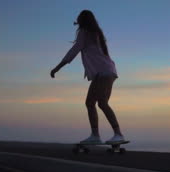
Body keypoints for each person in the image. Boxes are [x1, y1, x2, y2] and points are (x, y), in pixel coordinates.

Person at [50, 10, 125, 144]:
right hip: (106, 72)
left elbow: (74, 50)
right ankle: (97, 135)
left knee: (99, 103)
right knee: (93, 103)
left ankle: (116, 134)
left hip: (104, 72)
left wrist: (57, 67)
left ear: (82, 20)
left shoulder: (85, 32)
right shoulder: (96, 33)